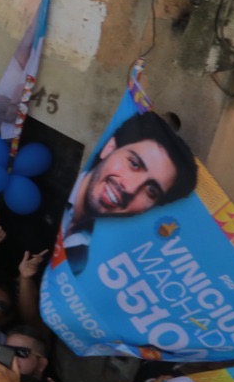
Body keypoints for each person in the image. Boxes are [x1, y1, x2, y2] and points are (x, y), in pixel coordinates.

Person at [57, 110, 199, 273]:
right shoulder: (56, 183)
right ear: (109, 148)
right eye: (133, 163)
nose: (130, 189)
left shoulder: (80, 257)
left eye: (151, 191)